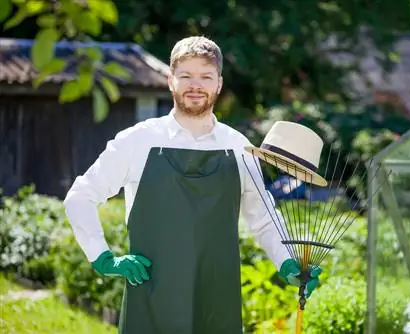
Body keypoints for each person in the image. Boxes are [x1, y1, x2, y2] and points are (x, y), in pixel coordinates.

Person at [63, 35, 321, 334]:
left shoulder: (239, 147)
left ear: (219, 84)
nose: (195, 85)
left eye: (205, 76)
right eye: (185, 76)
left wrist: (287, 263)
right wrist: (103, 258)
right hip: (151, 297)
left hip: (217, 301)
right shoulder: (138, 140)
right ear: (171, 80)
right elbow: (80, 197)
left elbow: (263, 218)